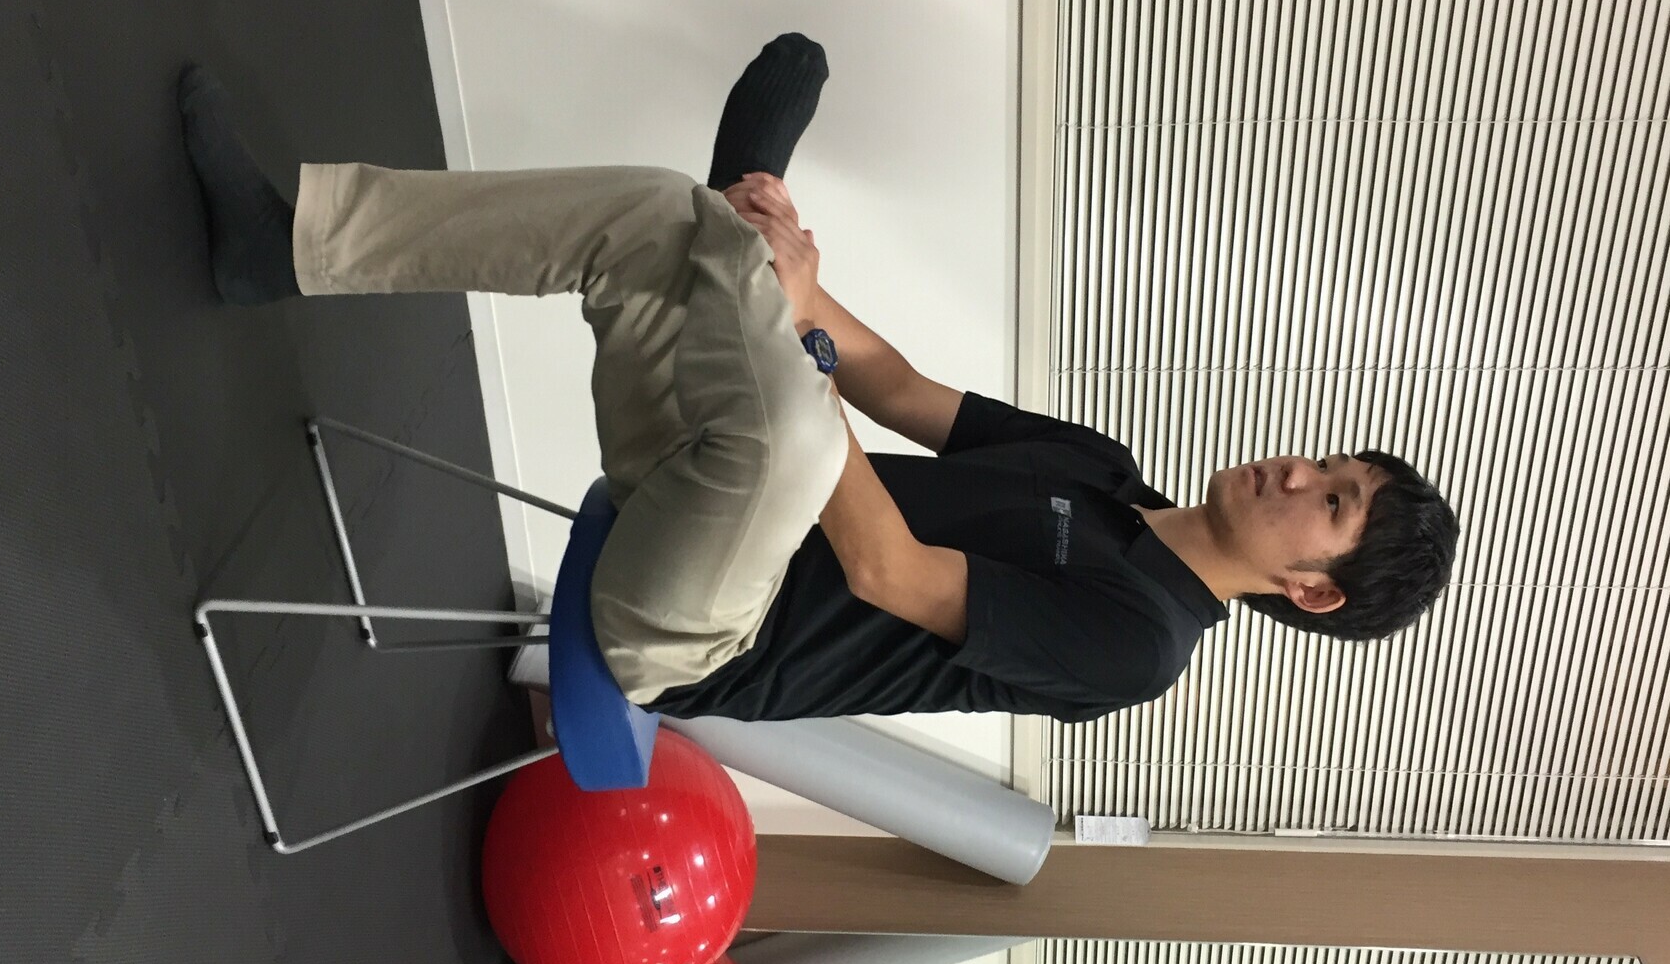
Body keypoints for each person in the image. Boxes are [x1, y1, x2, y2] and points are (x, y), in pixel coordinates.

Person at [178, 36, 1457, 725]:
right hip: (700, 483)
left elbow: (887, 570)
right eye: (1327, 461)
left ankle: (741, 235)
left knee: (795, 431)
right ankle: (285, 245)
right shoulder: (1103, 472)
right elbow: (895, 385)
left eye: (1329, 501)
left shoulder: (1139, 647)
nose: (1297, 469)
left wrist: (790, 324)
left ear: (1312, 590)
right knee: (657, 217)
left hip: (699, 635)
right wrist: (800, 282)